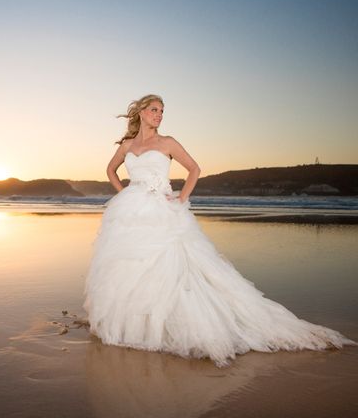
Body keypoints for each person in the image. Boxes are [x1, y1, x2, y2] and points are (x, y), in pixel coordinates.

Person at [83, 94, 355, 367]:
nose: (159, 114)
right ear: (141, 112)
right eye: (154, 110)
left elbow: (194, 169)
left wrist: (180, 199)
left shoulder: (168, 143)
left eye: (162, 111)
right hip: (131, 211)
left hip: (162, 211)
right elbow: (110, 170)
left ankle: (172, 326)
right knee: (130, 267)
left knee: (169, 266)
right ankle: (135, 325)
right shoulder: (128, 145)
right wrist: (126, 194)